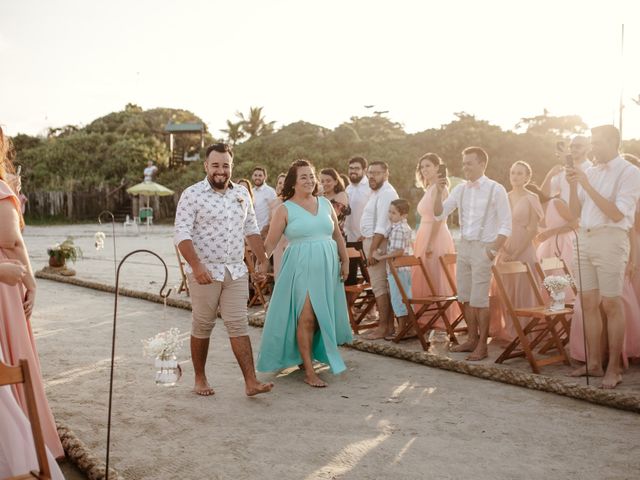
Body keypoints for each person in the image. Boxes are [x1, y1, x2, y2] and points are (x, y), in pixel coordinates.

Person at [174, 143, 273, 397]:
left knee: (239, 324)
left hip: (235, 271)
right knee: (203, 325)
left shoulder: (241, 194)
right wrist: (196, 266)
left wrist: (262, 260)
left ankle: (251, 382)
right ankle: (200, 378)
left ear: (232, 166)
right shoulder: (192, 194)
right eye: (215, 165)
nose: (221, 170)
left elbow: (251, 229)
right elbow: (181, 234)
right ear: (206, 166)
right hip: (205, 272)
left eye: (225, 165)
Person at [258, 160, 352, 387]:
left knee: (320, 317)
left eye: (312, 176)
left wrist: (345, 260)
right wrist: (261, 267)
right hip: (300, 266)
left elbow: (338, 236)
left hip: (328, 264)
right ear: (293, 182)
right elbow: (270, 243)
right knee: (307, 315)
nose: (310, 181)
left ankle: (304, 356)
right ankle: (309, 372)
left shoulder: (326, 204)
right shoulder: (284, 209)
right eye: (304, 177)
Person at [0, 126, 64, 458]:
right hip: (4, 285)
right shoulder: (0, 189)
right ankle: (25, 443)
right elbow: (11, 239)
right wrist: (31, 281)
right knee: (15, 356)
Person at [567, 125, 640, 388]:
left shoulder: (631, 173)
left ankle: (615, 368)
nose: (591, 148)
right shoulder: (590, 172)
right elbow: (575, 212)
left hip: (611, 239)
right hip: (583, 239)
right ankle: (595, 363)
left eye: (596, 143)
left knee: (611, 304)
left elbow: (618, 213)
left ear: (612, 142)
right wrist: (575, 186)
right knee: (588, 302)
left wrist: (586, 183)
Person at [434, 147, 511, 360]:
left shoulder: (496, 189)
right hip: (465, 247)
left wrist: (492, 250)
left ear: (482, 164)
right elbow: (439, 213)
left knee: (480, 299)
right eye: (464, 163)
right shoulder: (460, 190)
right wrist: (439, 191)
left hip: (484, 248)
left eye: (469, 163)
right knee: (465, 296)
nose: (465, 167)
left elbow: (506, 225)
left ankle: (482, 346)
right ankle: (471, 339)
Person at [489, 161, 544, 340]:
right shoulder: (504, 196)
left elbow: (533, 229)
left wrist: (517, 252)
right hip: (505, 248)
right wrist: (504, 249)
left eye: (520, 173)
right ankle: (510, 333)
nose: (515, 176)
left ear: (527, 177)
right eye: (513, 172)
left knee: (524, 291)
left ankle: (525, 335)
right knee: (505, 292)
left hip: (524, 249)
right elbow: (497, 224)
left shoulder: (531, 198)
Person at [412, 153, 458, 328]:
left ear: (437, 168)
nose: (424, 170)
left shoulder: (441, 189)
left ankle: (441, 321)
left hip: (435, 236)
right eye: (422, 167)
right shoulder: (429, 189)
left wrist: (430, 242)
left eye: (428, 166)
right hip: (424, 234)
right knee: (425, 275)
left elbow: (440, 218)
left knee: (436, 276)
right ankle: (426, 318)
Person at [359, 161, 399, 340]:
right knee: (381, 285)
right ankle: (387, 326)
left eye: (376, 173)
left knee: (380, 286)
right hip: (372, 241)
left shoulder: (387, 193)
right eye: (370, 173)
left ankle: (383, 327)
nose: (371, 176)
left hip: (379, 245)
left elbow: (382, 225)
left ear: (386, 174)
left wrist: (372, 250)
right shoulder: (376, 192)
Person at [372, 199, 414, 339]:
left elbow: (399, 251)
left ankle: (401, 329)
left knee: (398, 298)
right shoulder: (400, 227)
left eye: (394, 213)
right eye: (389, 212)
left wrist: (381, 257)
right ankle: (409, 328)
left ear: (403, 215)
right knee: (405, 297)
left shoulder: (398, 229)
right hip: (403, 269)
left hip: (398, 270)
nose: (390, 215)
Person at [343, 156, 371, 301]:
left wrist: (368, 232)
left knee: (370, 276)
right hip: (350, 239)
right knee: (350, 277)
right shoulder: (348, 188)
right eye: (351, 168)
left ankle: (375, 310)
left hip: (366, 239)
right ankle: (350, 311)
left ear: (364, 170)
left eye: (356, 168)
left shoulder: (370, 187)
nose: (353, 171)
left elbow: (376, 212)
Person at [541, 135, 592, 203]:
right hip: (565, 213)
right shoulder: (563, 171)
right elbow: (544, 195)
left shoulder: (593, 169)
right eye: (571, 146)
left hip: (586, 213)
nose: (573, 149)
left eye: (578, 146)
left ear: (588, 148)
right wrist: (549, 176)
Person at [267, 173, 288, 277]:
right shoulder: (273, 203)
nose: (281, 185)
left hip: (289, 242)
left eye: (284, 183)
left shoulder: (292, 203)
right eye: (279, 183)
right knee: (279, 274)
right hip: (277, 243)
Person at [320, 167, 350, 236]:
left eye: (328, 181)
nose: (325, 184)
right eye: (322, 181)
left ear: (336, 182)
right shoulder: (321, 197)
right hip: (322, 236)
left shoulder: (341, 195)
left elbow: (331, 217)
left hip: (336, 236)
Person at [251, 166, 277, 238]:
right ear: (252, 176)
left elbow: (274, 211)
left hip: (265, 232)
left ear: (265, 177)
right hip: (253, 231)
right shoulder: (251, 192)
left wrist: (267, 228)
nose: (257, 177)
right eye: (255, 175)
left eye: (260, 175)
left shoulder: (270, 192)